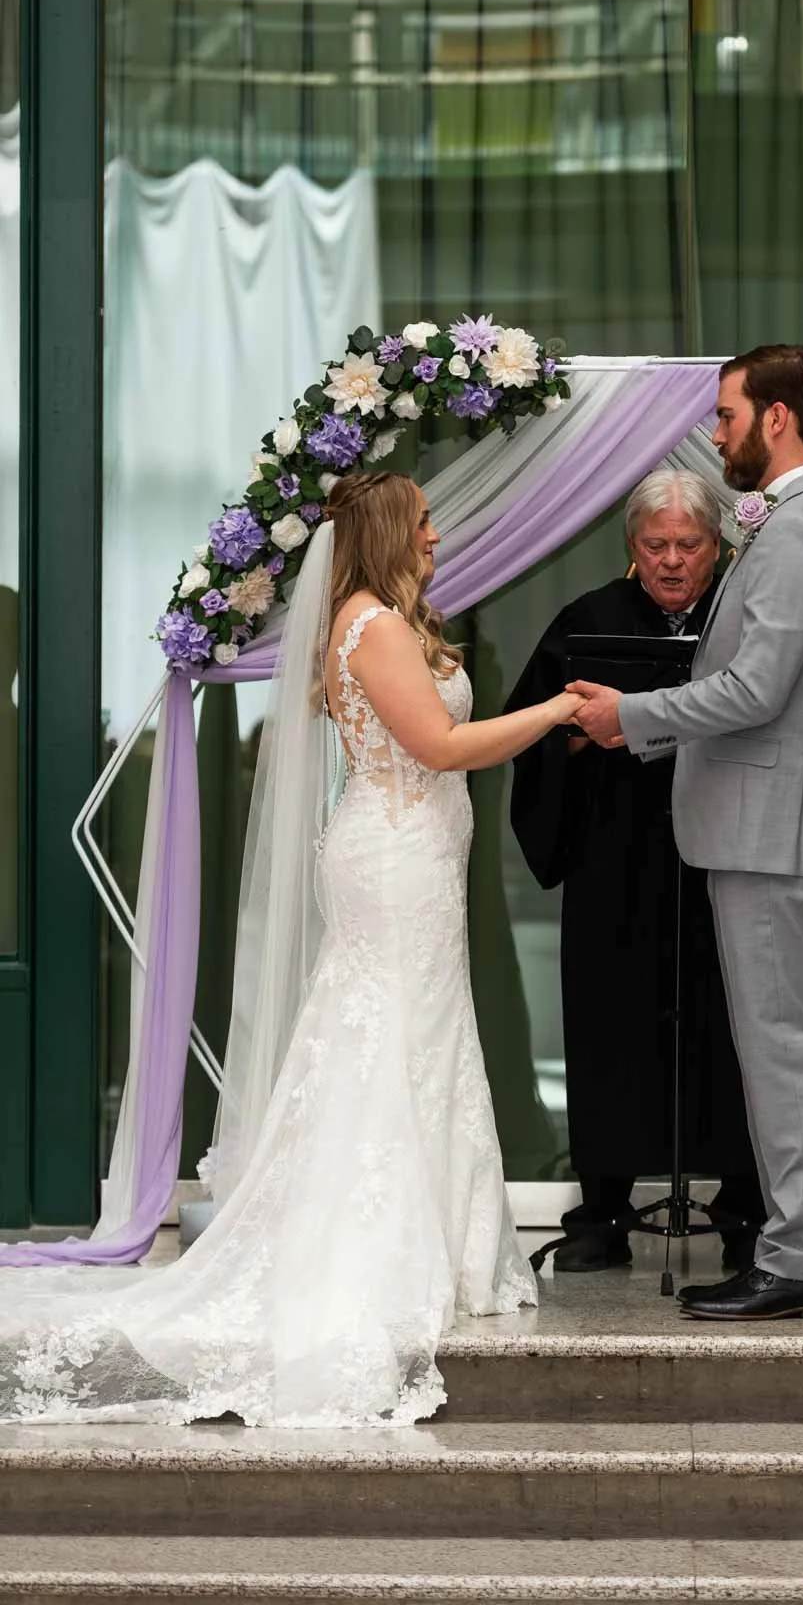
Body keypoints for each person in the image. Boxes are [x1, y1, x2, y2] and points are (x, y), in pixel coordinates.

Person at [0, 471, 582, 1425]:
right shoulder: (375, 627)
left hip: (415, 856)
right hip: (393, 855)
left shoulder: (380, 618)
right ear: (391, 530)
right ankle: (376, 1248)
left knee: (421, 1032)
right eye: (426, 524)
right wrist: (555, 713)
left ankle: (445, 1238)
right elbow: (438, 747)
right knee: (390, 1035)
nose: (437, 538)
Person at [572, 346, 803, 1323]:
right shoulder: (787, 524)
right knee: (776, 1044)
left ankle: (799, 1260)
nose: (719, 430)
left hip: (771, 833)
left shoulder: (801, 530)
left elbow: (756, 689)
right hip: (761, 827)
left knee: (780, 1047)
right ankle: (792, 1249)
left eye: (729, 414)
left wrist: (633, 718)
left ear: (777, 418)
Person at [506, 470, 764, 1274]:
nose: (673, 561)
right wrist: (577, 734)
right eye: (657, 546)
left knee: (731, 1032)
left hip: (722, 854)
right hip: (616, 859)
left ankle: (745, 1210)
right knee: (607, 1028)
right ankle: (604, 1210)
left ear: (717, 547)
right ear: (633, 546)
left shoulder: (747, 618)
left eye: (690, 545)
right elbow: (535, 737)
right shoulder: (585, 621)